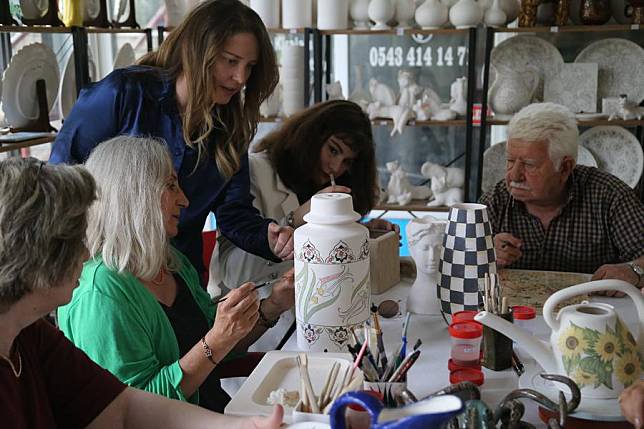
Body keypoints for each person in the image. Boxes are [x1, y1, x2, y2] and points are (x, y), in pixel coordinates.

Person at [0, 157, 283, 429]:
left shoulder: (31, 334)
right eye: (75, 240)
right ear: (35, 252)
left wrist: (243, 426)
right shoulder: (99, 291)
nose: (86, 252)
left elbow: (123, 406)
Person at [49, 0, 293, 281]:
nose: (240, 78)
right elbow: (62, 181)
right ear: (198, 51)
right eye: (230, 61)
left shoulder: (231, 128)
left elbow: (233, 213)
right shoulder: (123, 94)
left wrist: (269, 238)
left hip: (180, 277)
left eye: (250, 66)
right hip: (108, 276)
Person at [57, 136, 295, 413]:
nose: (184, 200)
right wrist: (215, 340)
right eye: (170, 186)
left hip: (215, 415)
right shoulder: (101, 292)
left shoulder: (172, 263)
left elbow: (217, 350)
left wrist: (273, 305)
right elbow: (134, 410)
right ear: (133, 195)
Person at [209, 100, 397, 300]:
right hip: (252, 315)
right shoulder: (255, 171)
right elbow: (236, 273)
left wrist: (361, 233)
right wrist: (296, 219)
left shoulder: (324, 182)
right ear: (311, 137)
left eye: (347, 162)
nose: (335, 167)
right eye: (333, 150)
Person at [480, 103, 644, 295]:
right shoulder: (495, 201)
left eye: (529, 165)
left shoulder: (609, 196)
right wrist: (484, 255)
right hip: (513, 317)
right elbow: (455, 263)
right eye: (510, 161)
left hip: (590, 317)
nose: (514, 175)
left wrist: (634, 270)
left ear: (565, 167)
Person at [405, 216, 446, 315]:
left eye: (439, 248)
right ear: (411, 249)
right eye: (425, 248)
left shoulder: (449, 294)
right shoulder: (417, 298)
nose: (432, 257)